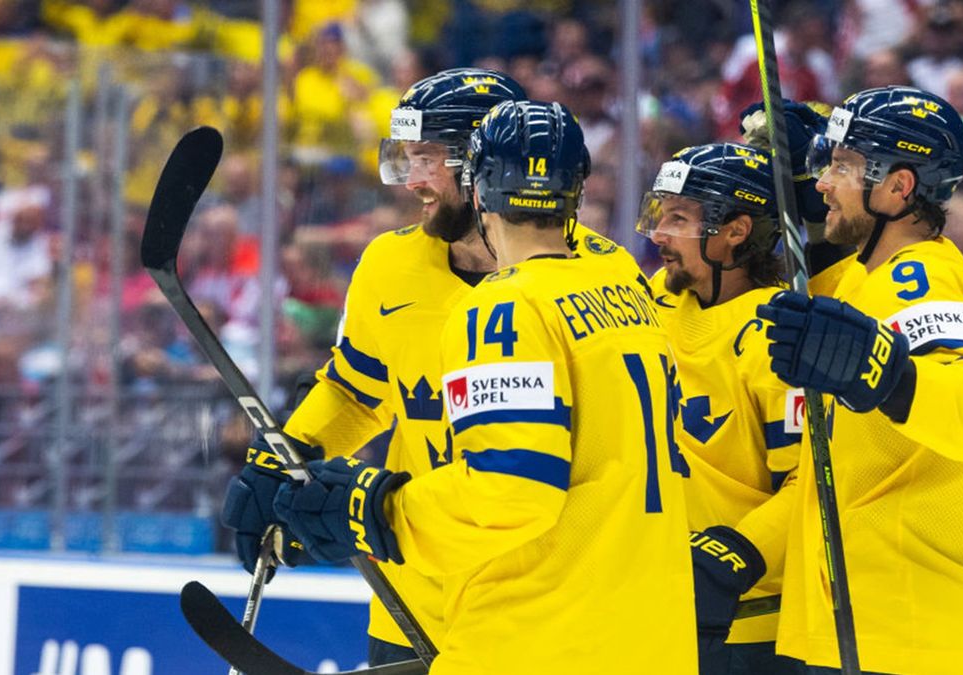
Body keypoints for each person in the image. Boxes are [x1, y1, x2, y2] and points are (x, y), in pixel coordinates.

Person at [218, 67, 635, 666]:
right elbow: (357, 393)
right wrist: (287, 458)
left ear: (482, 161)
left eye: (428, 158)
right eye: (404, 159)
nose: (411, 181)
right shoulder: (389, 264)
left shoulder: (599, 273)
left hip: (540, 591)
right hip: (414, 588)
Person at [756, 86, 963, 673]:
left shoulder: (920, 276)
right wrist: (796, 148)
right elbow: (798, 264)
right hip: (877, 625)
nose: (823, 184)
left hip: (924, 633)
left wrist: (889, 377)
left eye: (842, 168)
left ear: (899, 187)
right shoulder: (861, 277)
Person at [636, 141, 809, 675]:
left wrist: (732, 556)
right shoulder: (653, 300)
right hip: (648, 605)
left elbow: (811, 482)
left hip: (748, 624)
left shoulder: (781, 336)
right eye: (659, 215)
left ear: (735, 231)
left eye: (680, 219)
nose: (659, 235)